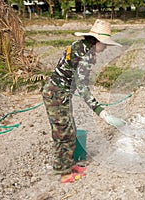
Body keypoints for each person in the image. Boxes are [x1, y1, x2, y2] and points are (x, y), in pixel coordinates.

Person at [42, 19, 123, 183]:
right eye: (105, 44)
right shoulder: (84, 55)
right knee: (63, 133)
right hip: (56, 93)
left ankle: (69, 164)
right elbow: (83, 88)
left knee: (70, 129)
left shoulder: (81, 46)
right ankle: (64, 173)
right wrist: (102, 113)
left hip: (61, 93)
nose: (105, 47)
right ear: (97, 41)